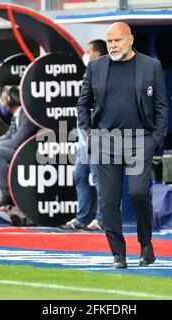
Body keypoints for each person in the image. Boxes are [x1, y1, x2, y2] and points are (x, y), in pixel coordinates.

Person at [76, 22, 168, 268]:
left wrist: (155, 139)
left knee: (138, 193)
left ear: (131, 40)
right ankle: (118, 254)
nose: (113, 45)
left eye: (117, 40)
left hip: (141, 140)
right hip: (105, 141)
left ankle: (146, 244)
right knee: (108, 200)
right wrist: (88, 135)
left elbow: (161, 107)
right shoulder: (95, 67)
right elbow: (82, 104)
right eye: (109, 41)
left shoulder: (151, 66)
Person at [60, 39, 107, 231]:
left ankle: (102, 219)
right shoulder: (89, 73)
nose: (85, 54)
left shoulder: (107, 74)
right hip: (83, 138)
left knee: (99, 179)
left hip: (98, 136)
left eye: (88, 51)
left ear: (98, 53)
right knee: (80, 176)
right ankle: (82, 218)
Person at [0, 85, 39, 210]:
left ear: (11, 100)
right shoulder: (16, 115)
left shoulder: (26, 115)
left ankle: (7, 194)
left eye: (3, 100)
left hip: (29, 153)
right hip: (18, 151)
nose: (2, 104)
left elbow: (16, 142)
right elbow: (8, 136)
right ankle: (10, 190)